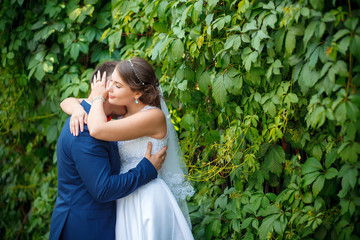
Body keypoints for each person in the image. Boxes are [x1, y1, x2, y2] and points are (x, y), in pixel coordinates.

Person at [63, 57, 195, 239]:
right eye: (111, 84)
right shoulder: (120, 116)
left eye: (117, 85)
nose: (110, 89)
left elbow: (97, 129)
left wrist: (99, 97)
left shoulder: (153, 116)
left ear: (136, 94)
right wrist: (77, 109)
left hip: (148, 197)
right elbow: (70, 101)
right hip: (125, 200)